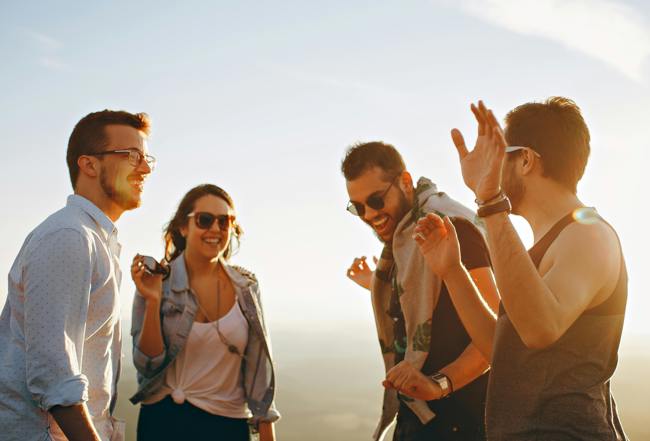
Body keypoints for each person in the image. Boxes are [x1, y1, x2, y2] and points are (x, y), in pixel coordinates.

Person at [403, 98, 628, 440]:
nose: (491, 167)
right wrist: (452, 271)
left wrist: (490, 202)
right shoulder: (547, 245)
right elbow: (504, 349)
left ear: (525, 160)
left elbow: (540, 328)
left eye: (499, 155)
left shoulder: (588, 235)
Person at [0, 110, 154, 440]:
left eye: (146, 158)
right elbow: (55, 378)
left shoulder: (95, 239)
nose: (145, 168)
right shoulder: (69, 236)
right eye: (131, 156)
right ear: (89, 164)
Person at [342, 142, 499, 441]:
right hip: (418, 418)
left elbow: (494, 336)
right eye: (357, 207)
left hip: (462, 422)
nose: (368, 214)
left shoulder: (451, 228)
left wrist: (439, 385)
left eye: (375, 200)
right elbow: (429, 301)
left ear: (405, 182)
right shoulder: (404, 240)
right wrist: (377, 283)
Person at [129, 184, 280, 441]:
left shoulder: (246, 287)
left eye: (225, 222)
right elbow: (147, 364)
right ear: (183, 227)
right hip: (162, 424)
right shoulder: (157, 282)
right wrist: (153, 301)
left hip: (227, 427)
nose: (215, 229)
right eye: (205, 220)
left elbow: (259, 374)